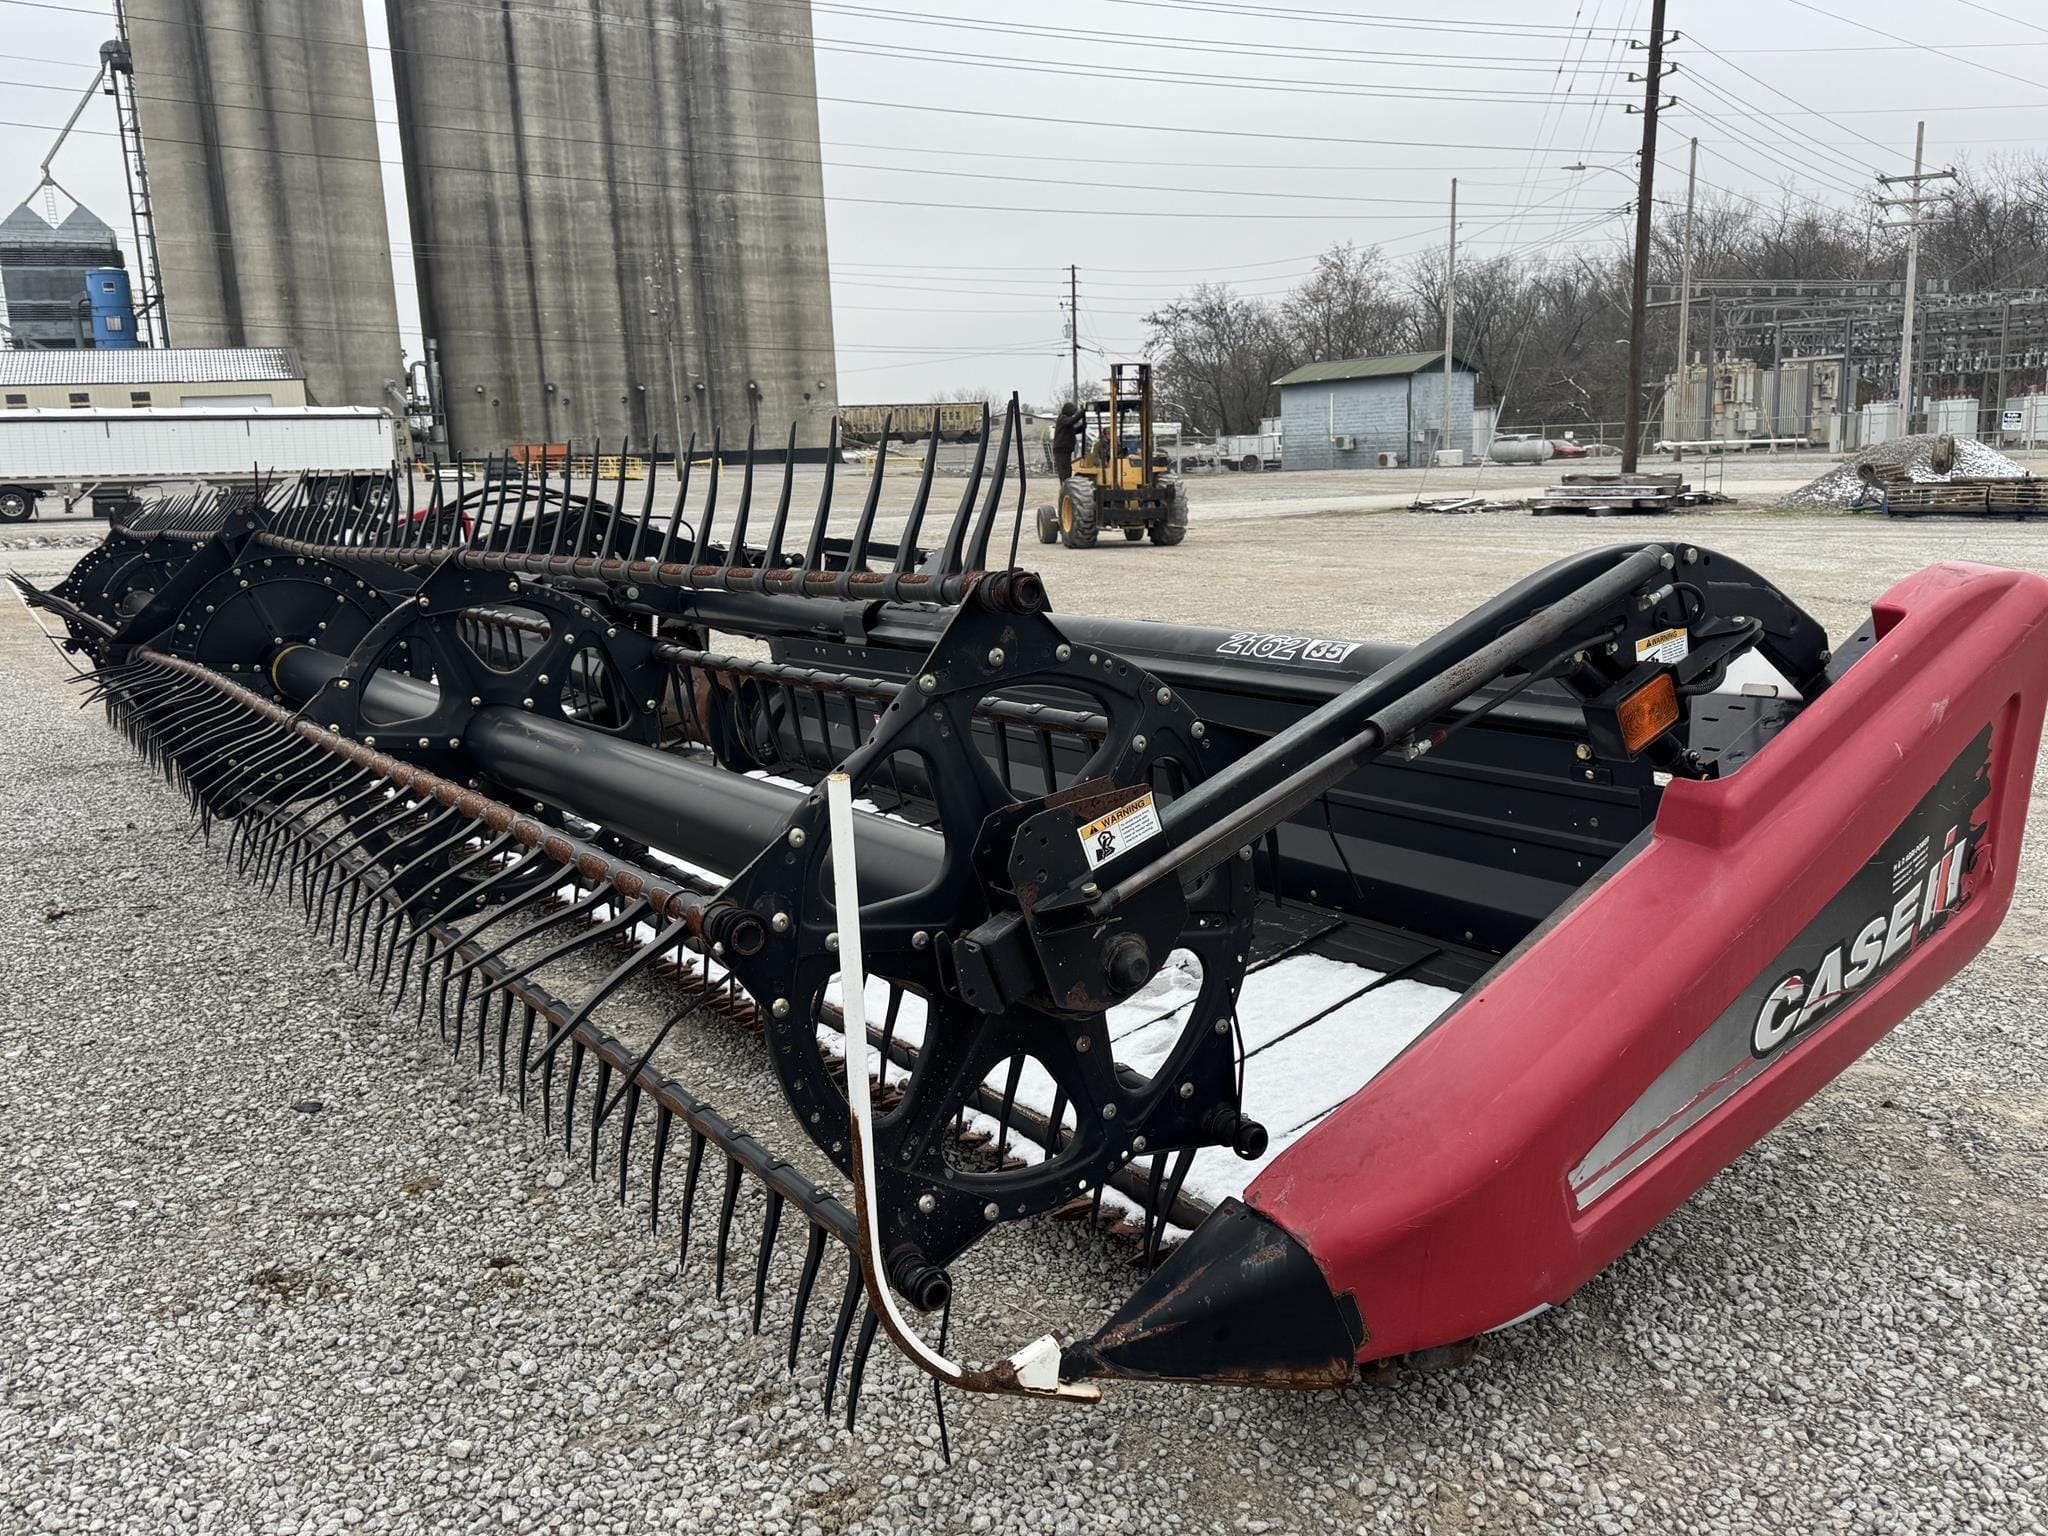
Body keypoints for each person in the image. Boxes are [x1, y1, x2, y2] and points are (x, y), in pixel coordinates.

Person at [1052, 401, 1085, 483]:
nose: (1073, 414)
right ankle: (1064, 489)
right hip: (1061, 450)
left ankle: (1066, 487)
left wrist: (1082, 428)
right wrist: (1082, 412)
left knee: (1067, 472)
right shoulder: (1062, 418)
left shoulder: (1066, 422)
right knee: (1064, 473)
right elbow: (1072, 421)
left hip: (1065, 450)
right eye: (1072, 411)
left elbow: (1073, 431)